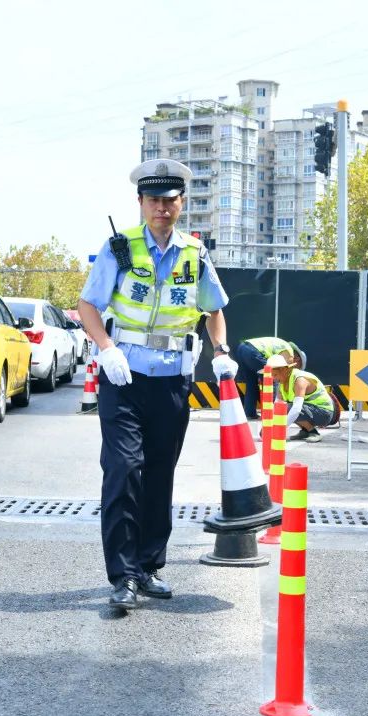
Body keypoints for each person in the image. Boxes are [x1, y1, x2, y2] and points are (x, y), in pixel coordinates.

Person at [77, 158, 237, 611]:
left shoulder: (194, 253)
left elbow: (214, 309)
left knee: (160, 473)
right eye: (154, 200)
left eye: (170, 200)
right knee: (125, 469)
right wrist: (106, 348)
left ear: (181, 203)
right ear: (141, 203)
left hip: (172, 380)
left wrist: (220, 352)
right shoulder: (121, 248)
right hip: (123, 376)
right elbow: (88, 305)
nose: (161, 208)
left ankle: (147, 567)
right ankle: (123, 575)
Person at [264, 353, 337, 443]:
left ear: (283, 370)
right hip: (311, 410)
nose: (273, 379)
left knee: (287, 409)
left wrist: (279, 429)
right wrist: (267, 428)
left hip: (325, 413)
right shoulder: (281, 383)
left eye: (275, 375)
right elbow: (276, 407)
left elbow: (296, 409)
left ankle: (313, 432)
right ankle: (305, 431)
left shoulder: (299, 380)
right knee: (282, 409)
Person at [234, 337, 306, 419]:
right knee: (272, 379)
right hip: (252, 351)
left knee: (251, 383)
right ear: (297, 360)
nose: (295, 370)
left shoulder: (283, 346)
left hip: (242, 349)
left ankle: (250, 414)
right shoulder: (289, 353)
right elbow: (282, 370)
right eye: (298, 367)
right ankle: (271, 414)